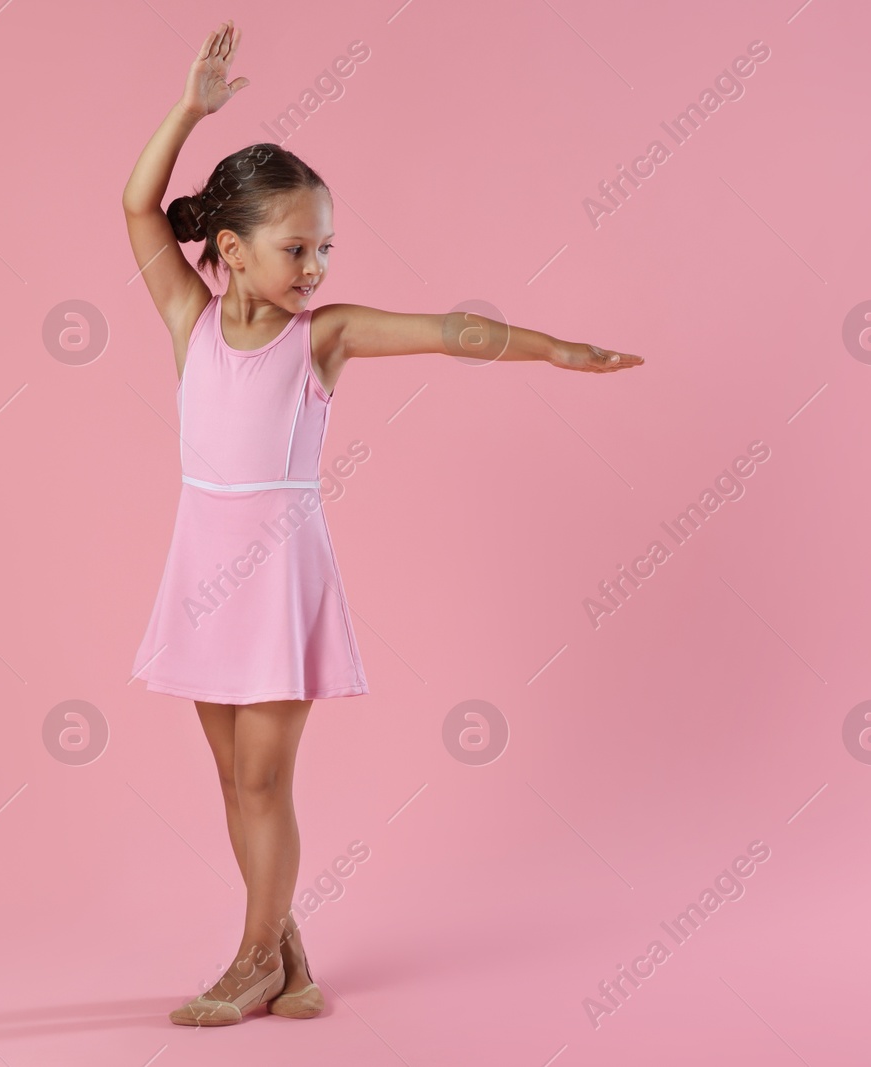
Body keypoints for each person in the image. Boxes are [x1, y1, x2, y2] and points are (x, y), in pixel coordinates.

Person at [120, 19, 644, 1028]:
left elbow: (452, 330)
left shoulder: (327, 336)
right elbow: (139, 202)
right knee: (234, 783)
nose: (315, 264)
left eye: (325, 246)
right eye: (295, 246)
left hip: (276, 574)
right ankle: (289, 953)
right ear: (229, 249)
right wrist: (191, 107)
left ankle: (248, 959)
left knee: (266, 780)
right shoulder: (187, 318)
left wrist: (556, 349)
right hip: (201, 566)